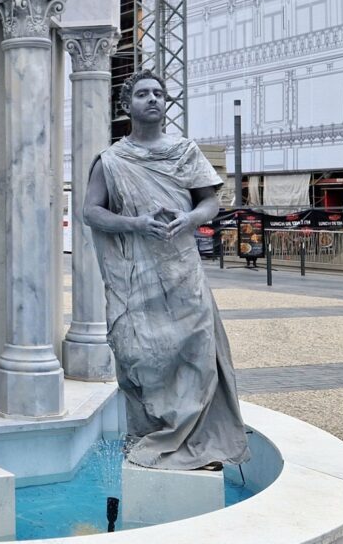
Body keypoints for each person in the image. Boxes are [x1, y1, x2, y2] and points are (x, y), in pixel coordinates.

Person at [84, 70, 249, 471]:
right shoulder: (112, 160)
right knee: (140, 353)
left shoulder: (185, 152)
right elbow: (91, 211)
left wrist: (191, 219)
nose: (153, 99)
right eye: (142, 94)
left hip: (181, 269)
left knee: (195, 350)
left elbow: (210, 202)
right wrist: (136, 223)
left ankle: (196, 440)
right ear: (127, 106)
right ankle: (151, 433)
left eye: (159, 93)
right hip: (136, 274)